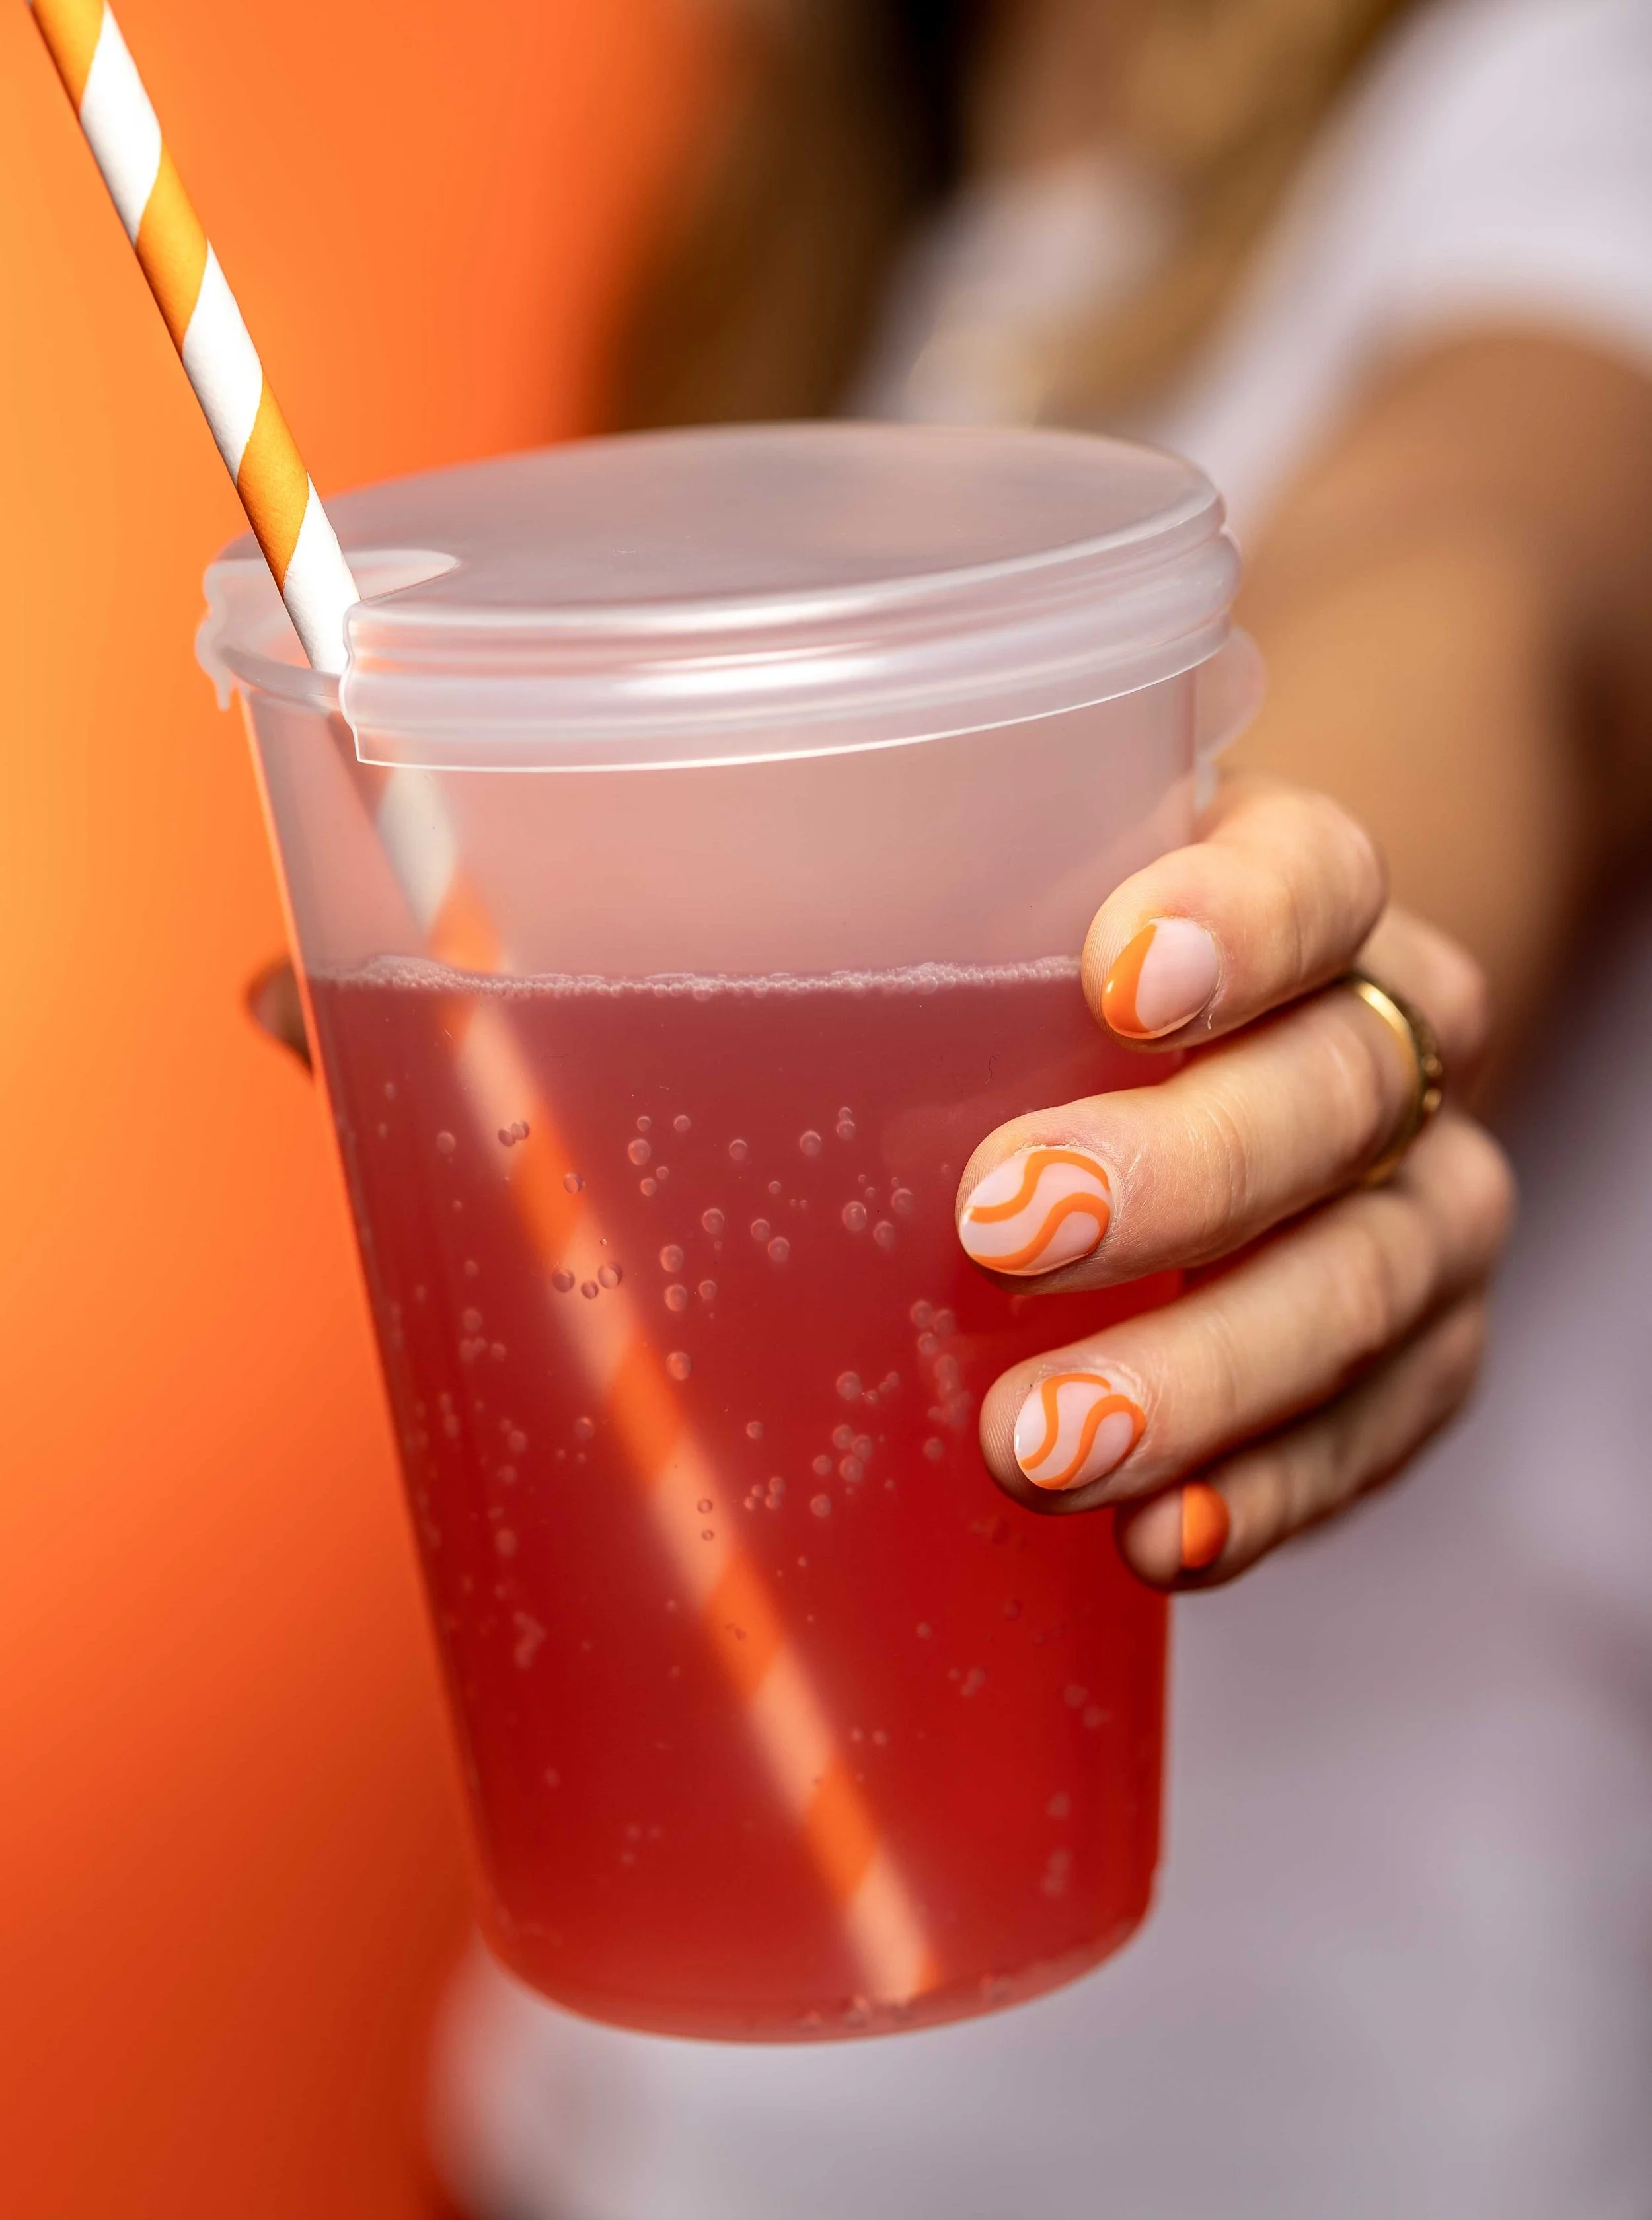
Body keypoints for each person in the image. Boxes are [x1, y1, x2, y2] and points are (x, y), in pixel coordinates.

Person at [253, 0, 1652, 2209]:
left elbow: (1488, 582)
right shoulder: (877, 254)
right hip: (618, 2132)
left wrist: (1282, 931)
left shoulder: (1569, 88)